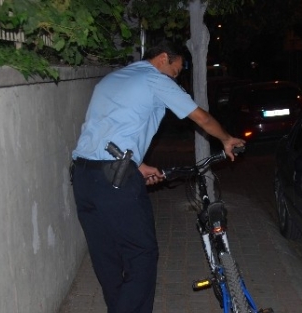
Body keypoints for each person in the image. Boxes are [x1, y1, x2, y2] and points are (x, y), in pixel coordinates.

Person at [70, 40, 245, 313]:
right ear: (164, 58)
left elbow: (108, 131)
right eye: (176, 71)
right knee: (142, 254)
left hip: (83, 177)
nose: (175, 77)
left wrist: (135, 165)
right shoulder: (154, 78)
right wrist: (226, 139)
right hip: (115, 182)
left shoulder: (112, 79)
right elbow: (200, 118)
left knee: (107, 257)